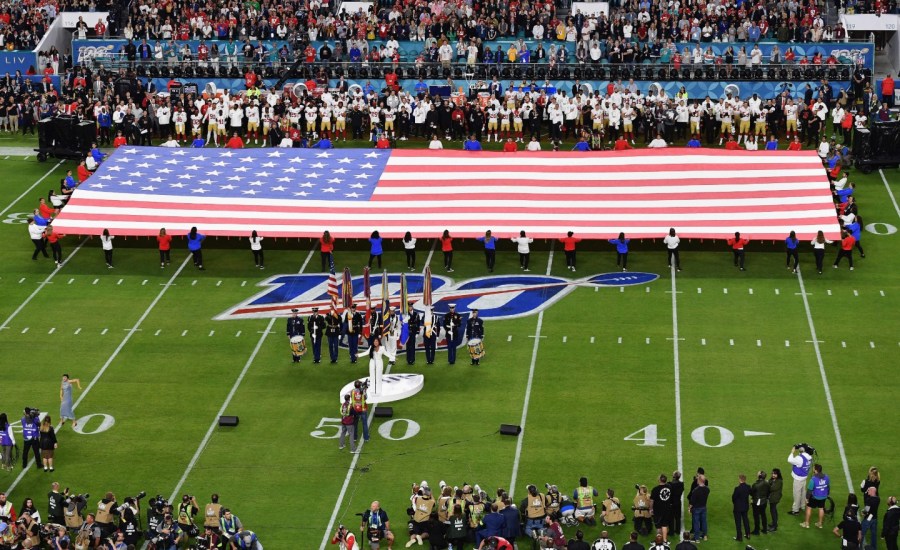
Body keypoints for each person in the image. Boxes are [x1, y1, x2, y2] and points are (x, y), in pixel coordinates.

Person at [803, 464, 830, 529]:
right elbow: (828, 487)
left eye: (813, 468)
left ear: (815, 470)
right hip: (823, 496)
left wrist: (807, 498)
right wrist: (827, 494)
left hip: (814, 497)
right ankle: (820, 524)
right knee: (821, 508)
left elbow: (809, 490)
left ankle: (806, 523)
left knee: (809, 508)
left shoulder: (813, 479)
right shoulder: (827, 477)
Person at [788, 445, 814, 515]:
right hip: (804, 477)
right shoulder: (809, 457)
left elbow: (790, 460)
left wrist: (792, 452)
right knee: (803, 493)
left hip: (798, 479)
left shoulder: (800, 458)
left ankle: (795, 510)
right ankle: (802, 506)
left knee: (797, 494)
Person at [688, 474, 709, 541]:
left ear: (699, 480)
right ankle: (704, 535)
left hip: (696, 508)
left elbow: (692, 502)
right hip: (703, 507)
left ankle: (696, 538)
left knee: (696, 522)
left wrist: (689, 508)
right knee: (704, 521)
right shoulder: (707, 489)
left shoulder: (695, 490)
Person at [732, 474, 751, 542]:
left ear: (740, 479)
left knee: (738, 522)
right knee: (746, 520)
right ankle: (748, 534)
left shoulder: (737, 488)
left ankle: (739, 537)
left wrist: (735, 503)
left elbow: (734, 498)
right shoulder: (748, 487)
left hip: (738, 508)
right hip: (745, 507)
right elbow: (751, 493)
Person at [750, 470, 770, 535]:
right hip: (764, 501)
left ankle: (756, 530)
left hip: (756, 502)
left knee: (756, 516)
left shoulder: (755, 485)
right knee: (763, 515)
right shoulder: (767, 483)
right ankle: (765, 529)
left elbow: (752, 493)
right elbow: (768, 492)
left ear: (759, 476)